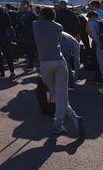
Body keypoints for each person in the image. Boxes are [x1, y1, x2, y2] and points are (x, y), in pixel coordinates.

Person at [33, 7, 84, 137]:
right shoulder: (59, 26)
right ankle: (70, 119)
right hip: (60, 62)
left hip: (45, 63)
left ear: (41, 15)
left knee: (54, 93)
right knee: (61, 95)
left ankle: (60, 124)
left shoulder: (35, 24)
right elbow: (59, 41)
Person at [86, 11, 103, 92]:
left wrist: (100, 46)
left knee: (102, 67)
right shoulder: (102, 21)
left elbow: (95, 36)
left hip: (101, 47)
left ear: (91, 16)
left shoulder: (92, 23)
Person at [18, 2, 38, 69]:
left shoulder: (29, 13)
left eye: (22, 6)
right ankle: (31, 61)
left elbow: (36, 19)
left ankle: (31, 63)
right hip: (26, 33)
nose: (21, 7)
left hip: (30, 33)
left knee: (30, 48)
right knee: (29, 48)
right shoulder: (24, 13)